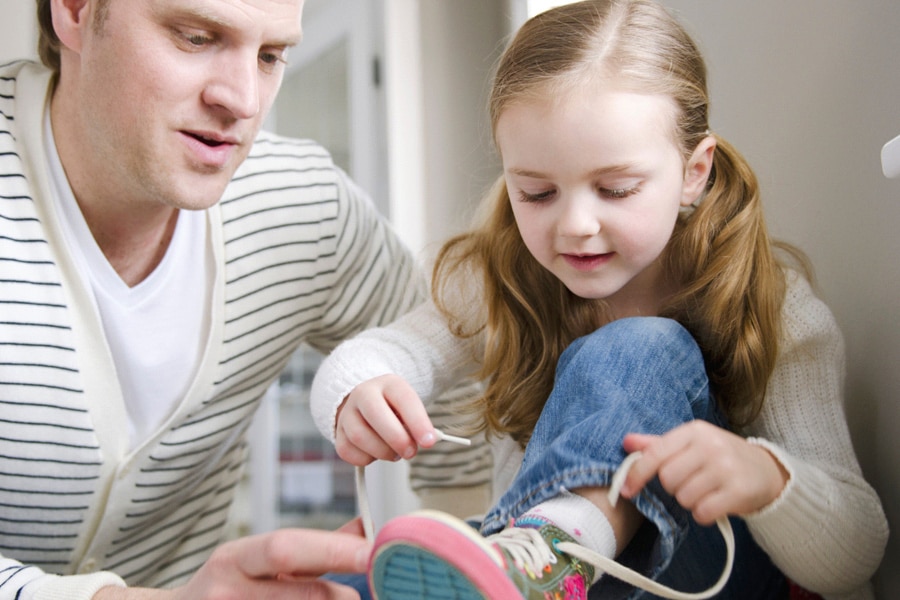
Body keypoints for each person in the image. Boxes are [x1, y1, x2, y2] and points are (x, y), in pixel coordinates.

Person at [310, 0, 889, 598]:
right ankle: (533, 562)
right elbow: (378, 355)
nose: (576, 225)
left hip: (713, 575)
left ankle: (552, 555)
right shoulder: (506, 276)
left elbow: (856, 554)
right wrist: (359, 391)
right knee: (321, 585)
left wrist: (769, 480)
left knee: (641, 347)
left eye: (615, 189)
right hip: (525, 558)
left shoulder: (772, 306)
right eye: (536, 193)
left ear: (694, 173)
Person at [0, 0, 458, 597]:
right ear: (76, 10)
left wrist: (469, 544)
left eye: (271, 55)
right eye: (195, 37)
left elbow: (471, 381)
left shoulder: (304, 211)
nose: (243, 101)